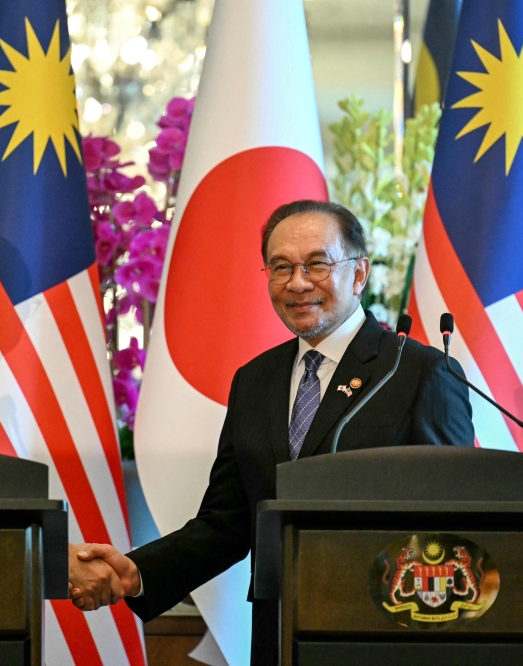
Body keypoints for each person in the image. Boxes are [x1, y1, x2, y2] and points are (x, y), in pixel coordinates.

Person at [67, 200, 475, 664]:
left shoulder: (420, 371)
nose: (298, 283)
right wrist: (133, 572)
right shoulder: (254, 380)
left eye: (317, 264)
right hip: (279, 636)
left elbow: (453, 524)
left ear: (359, 273)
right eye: (281, 267)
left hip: (388, 635)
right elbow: (226, 522)